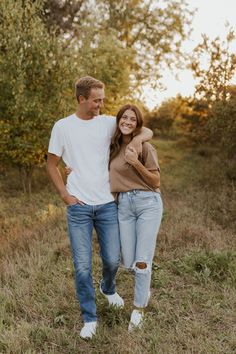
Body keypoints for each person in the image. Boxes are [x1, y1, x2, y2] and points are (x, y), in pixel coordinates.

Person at [47, 76, 153, 339]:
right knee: (82, 266)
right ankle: (90, 318)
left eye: (102, 99)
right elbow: (51, 164)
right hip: (79, 207)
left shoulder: (107, 123)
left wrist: (138, 142)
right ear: (82, 99)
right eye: (97, 100)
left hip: (107, 204)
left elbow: (144, 130)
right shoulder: (62, 127)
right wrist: (64, 195)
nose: (101, 104)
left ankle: (108, 287)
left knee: (111, 259)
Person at [109, 104, 163, 331]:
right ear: (118, 120)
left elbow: (155, 182)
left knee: (142, 261)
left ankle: (138, 308)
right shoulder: (111, 148)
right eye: (124, 117)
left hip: (147, 203)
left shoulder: (145, 147)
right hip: (124, 207)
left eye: (133, 119)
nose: (128, 122)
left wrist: (136, 163)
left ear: (137, 123)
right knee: (128, 260)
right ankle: (144, 285)